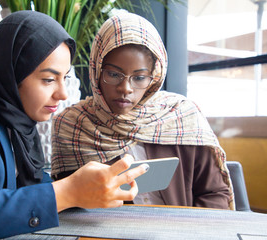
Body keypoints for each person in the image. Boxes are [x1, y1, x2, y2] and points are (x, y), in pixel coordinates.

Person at [0, 11, 148, 240]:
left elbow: (28, 188)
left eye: (64, 78)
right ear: (11, 71)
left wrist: (85, 188)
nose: (63, 94)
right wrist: (65, 193)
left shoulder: (15, 118)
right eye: (48, 79)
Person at [51, 12, 234, 210]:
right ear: (96, 70)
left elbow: (214, 193)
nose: (125, 88)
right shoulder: (72, 125)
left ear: (154, 77)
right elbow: (68, 206)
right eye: (113, 74)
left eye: (139, 77)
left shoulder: (181, 116)